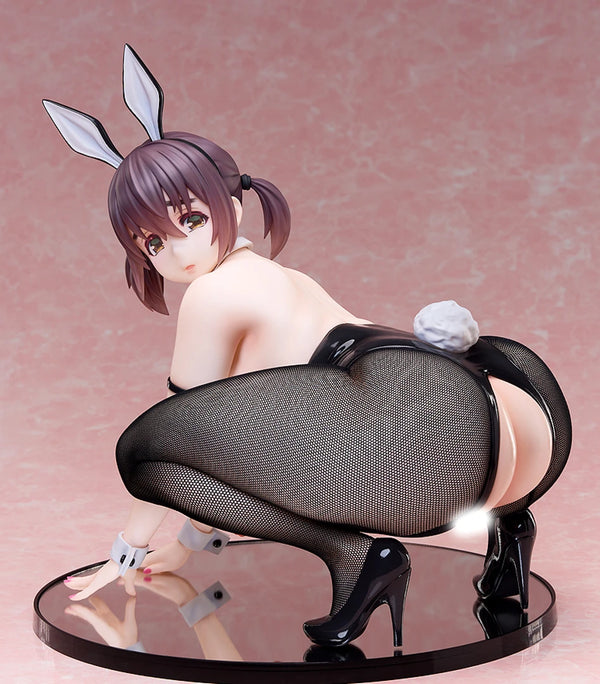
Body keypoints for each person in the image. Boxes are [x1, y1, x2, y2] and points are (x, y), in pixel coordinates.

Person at [43, 45, 571, 648]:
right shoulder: (283, 277)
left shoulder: (212, 296)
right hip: (520, 425)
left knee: (140, 453)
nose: (179, 252)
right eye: (154, 245)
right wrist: (189, 546)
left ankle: (359, 558)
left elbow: (176, 444)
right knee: (231, 431)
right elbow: (220, 449)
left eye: (190, 221)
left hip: (428, 442)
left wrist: (128, 551)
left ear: (232, 203)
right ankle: (511, 541)